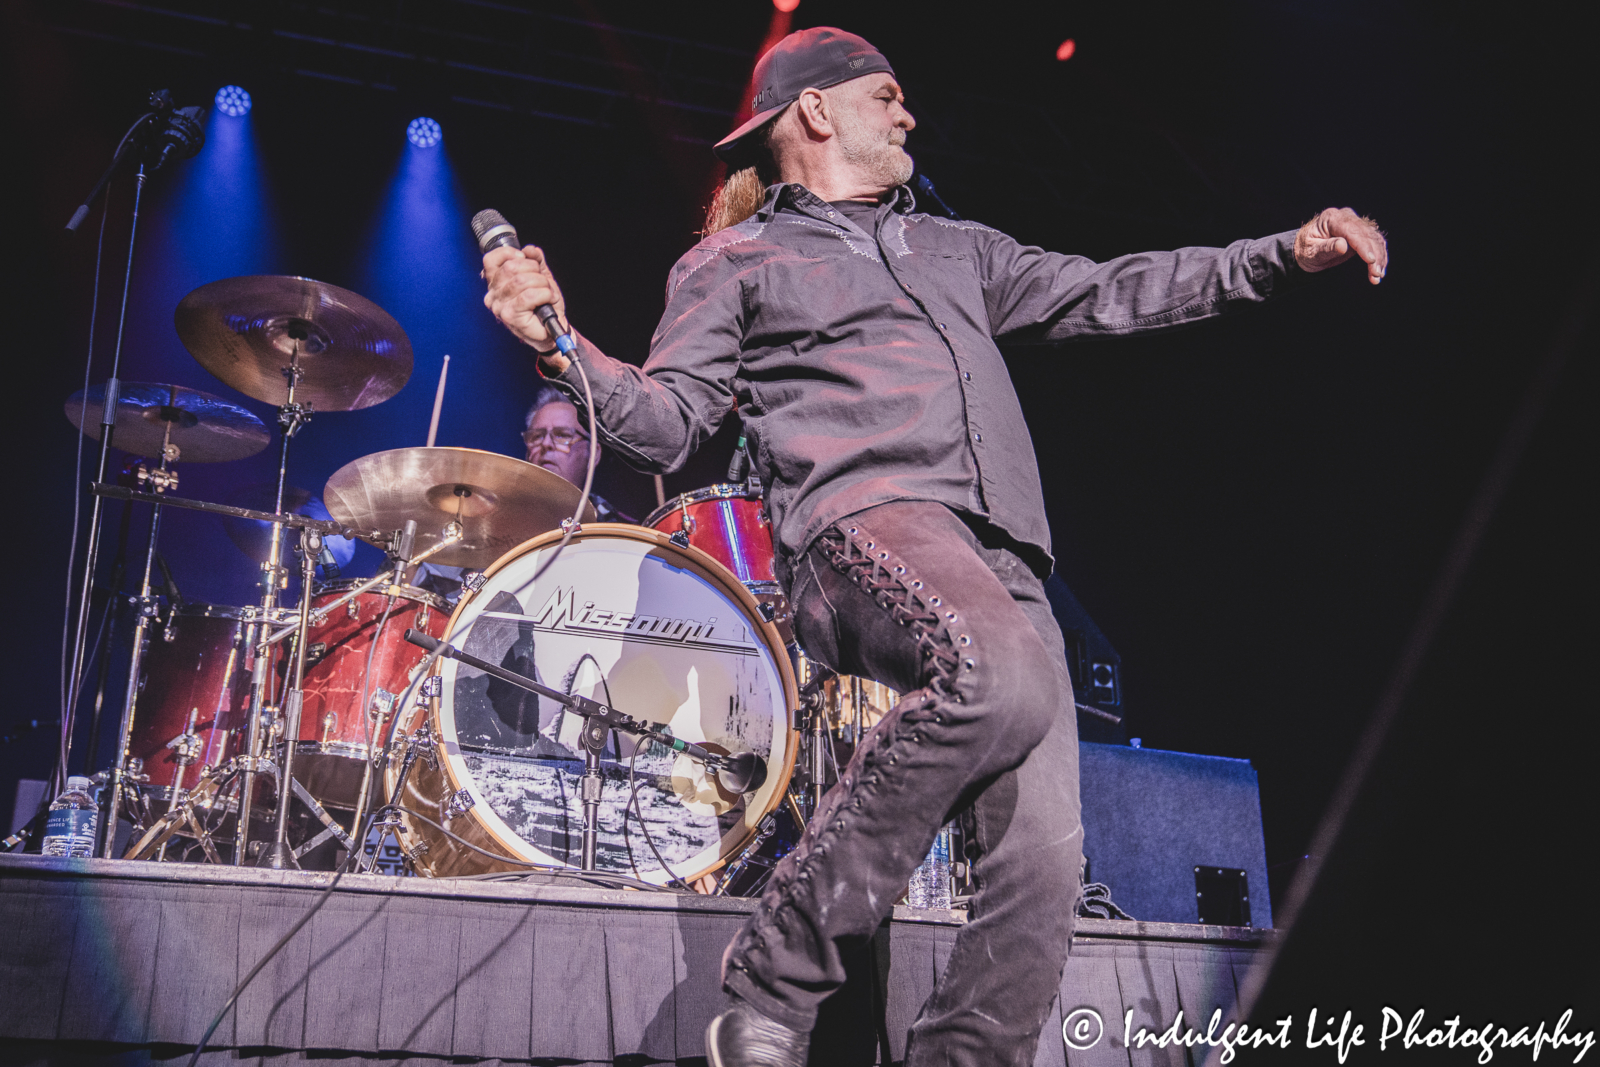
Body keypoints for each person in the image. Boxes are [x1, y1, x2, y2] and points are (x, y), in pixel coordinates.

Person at [482, 26, 1387, 1067]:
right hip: (863, 523)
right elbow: (667, 424)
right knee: (992, 673)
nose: (908, 114)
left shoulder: (959, 249)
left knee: (1045, 866)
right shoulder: (735, 261)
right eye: (888, 94)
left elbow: (1112, 289)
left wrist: (1280, 255)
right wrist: (560, 344)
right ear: (815, 111)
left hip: (1004, 556)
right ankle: (776, 973)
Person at [412, 386, 629, 599]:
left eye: (563, 435)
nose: (545, 444)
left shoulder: (616, 530)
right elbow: (429, 597)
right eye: (536, 436)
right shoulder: (486, 517)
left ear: (593, 453)